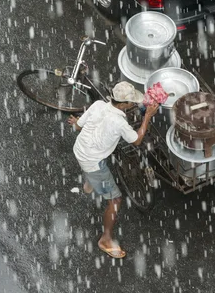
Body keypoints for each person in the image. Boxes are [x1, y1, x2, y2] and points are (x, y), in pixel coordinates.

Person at [67, 81, 159, 259]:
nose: (133, 104)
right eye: (131, 102)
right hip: (93, 161)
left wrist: (76, 122)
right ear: (124, 105)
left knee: (96, 160)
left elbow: (79, 126)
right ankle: (106, 239)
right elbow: (137, 140)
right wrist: (148, 116)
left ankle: (90, 184)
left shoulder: (98, 105)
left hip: (80, 149)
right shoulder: (119, 122)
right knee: (115, 200)